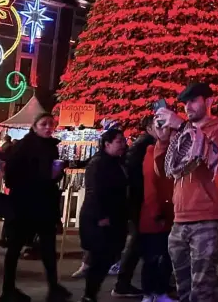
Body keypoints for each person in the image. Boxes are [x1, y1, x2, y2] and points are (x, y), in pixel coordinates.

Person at [154, 82, 218, 302]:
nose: (187, 107)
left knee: (202, 289)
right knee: (183, 289)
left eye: (193, 101)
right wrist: (162, 140)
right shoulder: (181, 132)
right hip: (180, 219)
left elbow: (209, 156)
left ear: (209, 101)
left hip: (207, 217)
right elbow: (164, 171)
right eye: (184, 103)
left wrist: (181, 127)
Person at [0, 113, 71, 302]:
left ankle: (53, 287)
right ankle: (8, 290)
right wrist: (40, 180)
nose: (48, 128)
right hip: (26, 205)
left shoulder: (50, 147)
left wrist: (56, 174)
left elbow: (50, 177)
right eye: (43, 124)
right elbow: (12, 176)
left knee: (48, 247)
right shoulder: (24, 146)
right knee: (15, 246)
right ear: (35, 126)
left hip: (44, 205)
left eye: (51, 124)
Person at [79, 128, 129, 302]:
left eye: (124, 141)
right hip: (100, 219)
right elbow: (94, 191)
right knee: (100, 258)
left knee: (106, 256)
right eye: (119, 141)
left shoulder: (117, 162)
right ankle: (89, 294)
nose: (123, 145)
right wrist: (101, 216)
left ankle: (91, 293)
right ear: (107, 144)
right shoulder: (98, 163)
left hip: (114, 217)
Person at [113, 117, 158, 298]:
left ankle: (127, 282)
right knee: (138, 242)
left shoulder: (145, 145)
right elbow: (139, 178)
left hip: (140, 201)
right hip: (140, 202)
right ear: (149, 128)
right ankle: (124, 283)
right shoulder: (145, 147)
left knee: (140, 242)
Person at [138, 127, 175, 302]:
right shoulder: (152, 153)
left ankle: (159, 292)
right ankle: (149, 293)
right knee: (153, 257)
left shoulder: (172, 154)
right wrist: (156, 212)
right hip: (156, 215)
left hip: (169, 213)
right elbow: (151, 186)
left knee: (167, 256)